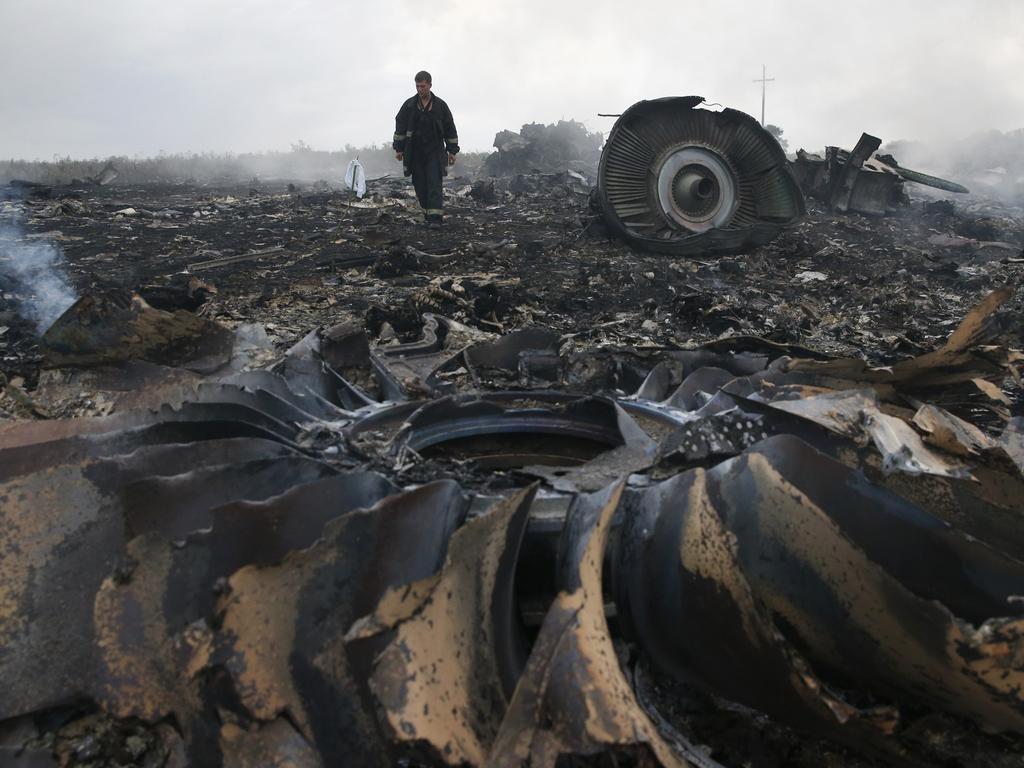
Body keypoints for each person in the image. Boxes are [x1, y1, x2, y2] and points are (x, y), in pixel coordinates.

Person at [393, 71, 459, 227]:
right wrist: (399, 149)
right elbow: (400, 127)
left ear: (430, 85)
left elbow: (450, 128)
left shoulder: (440, 106)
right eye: (417, 86)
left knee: (434, 183)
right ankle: (426, 211)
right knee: (419, 183)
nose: (419, 89)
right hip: (415, 152)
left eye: (422, 86)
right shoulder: (409, 105)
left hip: (434, 152)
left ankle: (435, 219)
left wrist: (452, 151)